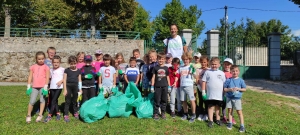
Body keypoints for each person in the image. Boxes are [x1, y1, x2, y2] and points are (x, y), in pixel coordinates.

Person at [26, 51, 50, 123]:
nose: (41, 60)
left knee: (42, 100)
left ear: (44, 59)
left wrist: (46, 86)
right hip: (34, 87)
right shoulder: (33, 67)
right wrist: (28, 86)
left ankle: (40, 115)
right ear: (36, 59)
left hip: (43, 87)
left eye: (42, 59)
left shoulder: (46, 67)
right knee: (32, 101)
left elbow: (47, 77)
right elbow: (30, 76)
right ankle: (29, 115)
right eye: (39, 59)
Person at [202, 57, 226, 128]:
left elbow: (224, 83)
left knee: (218, 107)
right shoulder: (207, 72)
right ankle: (210, 120)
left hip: (219, 95)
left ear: (219, 65)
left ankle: (218, 119)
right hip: (210, 94)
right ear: (210, 64)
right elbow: (204, 82)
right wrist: (203, 92)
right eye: (212, 64)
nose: (214, 65)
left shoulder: (221, 73)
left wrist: (224, 94)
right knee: (210, 107)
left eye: (215, 64)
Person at [224, 65, 247, 132]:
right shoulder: (228, 80)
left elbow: (244, 89)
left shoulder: (241, 80)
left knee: (239, 111)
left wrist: (239, 89)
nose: (235, 72)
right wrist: (230, 89)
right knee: (230, 111)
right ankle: (230, 123)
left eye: (236, 71)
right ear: (230, 72)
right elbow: (225, 89)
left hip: (237, 99)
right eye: (233, 71)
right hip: (229, 98)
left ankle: (242, 125)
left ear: (239, 72)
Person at [176, 52, 197, 123]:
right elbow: (176, 74)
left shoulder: (191, 67)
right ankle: (185, 113)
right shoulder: (181, 67)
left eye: (187, 59)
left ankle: (193, 114)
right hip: (182, 86)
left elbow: (195, 76)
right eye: (184, 59)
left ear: (190, 59)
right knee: (183, 100)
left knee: (192, 100)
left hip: (190, 86)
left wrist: (193, 72)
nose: (185, 61)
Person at [44, 55, 64, 122]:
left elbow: (65, 78)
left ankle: (50, 115)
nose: (56, 63)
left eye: (57, 62)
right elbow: (49, 78)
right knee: (55, 101)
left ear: (60, 63)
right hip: (52, 87)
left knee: (53, 100)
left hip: (59, 87)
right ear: (52, 63)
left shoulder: (62, 69)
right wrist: (48, 87)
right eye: (54, 62)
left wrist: (61, 81)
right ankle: (58, 113)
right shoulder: (51, 70)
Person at [151, 52, 171, 120]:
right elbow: (153, 77)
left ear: (165, 59)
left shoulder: (166, 68)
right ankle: (155, 113)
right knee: (157, 100)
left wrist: (169, 86)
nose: (161, 60)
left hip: (165, 87)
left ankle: (163, 113)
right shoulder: (155, 68)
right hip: (157, 87)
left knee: (164, 101)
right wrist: (152, 86)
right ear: (157, 59)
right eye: (159, 59)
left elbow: (168, 77)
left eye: (162, 59)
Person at [63, 56, 82, 122]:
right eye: (71, 64)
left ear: (76, 63)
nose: (73, 65)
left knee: (75, 100)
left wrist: (80, 89)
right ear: (69, 63)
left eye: (74, 63)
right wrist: (65, 89)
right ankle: (66, 114)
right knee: (68, 101)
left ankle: (75, 112)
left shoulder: (78, 71)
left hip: (75, 87)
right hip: (68, 86)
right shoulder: (66, 70)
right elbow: (64, 80)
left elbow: (79, 80)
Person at [221, 58, 236, 124]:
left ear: (231, 65)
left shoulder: (233, 73)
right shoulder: (221, 73)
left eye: (228, 64)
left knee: (231, 105)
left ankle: (231, 117)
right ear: (223, 65)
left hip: (231, 92)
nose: (227, 66)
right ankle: (224, 116)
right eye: (225, 64)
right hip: (223, 92)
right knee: (223, 105)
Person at [197, 55, 210, 121]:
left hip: (207, 89)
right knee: (201, 101)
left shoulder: (209, 70)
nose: (203, 63)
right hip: (200, 88)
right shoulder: (198, 70)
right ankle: (200, 113)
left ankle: (207, 114)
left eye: (205, 62)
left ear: (207, 62)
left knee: (207, 101)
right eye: (202, 62)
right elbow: (197, 78)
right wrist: (198, 84)